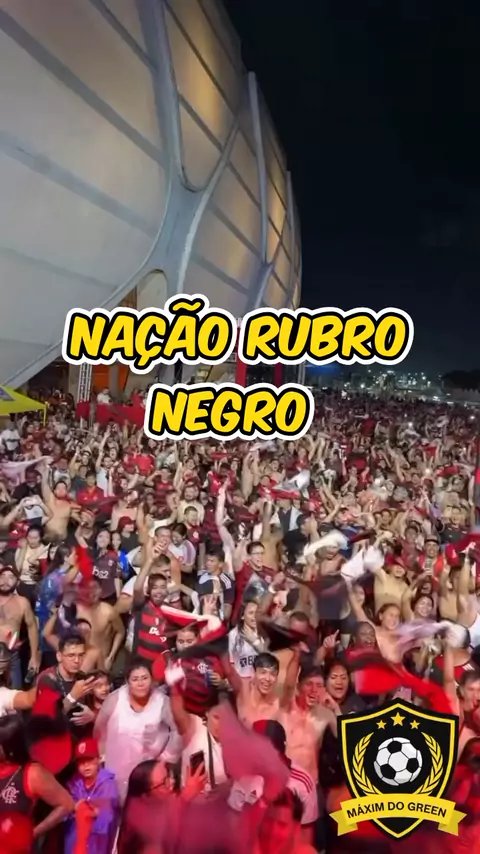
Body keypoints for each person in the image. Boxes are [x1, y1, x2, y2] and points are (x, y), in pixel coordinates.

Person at [94, 657, 182, 802]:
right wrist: (102, 757)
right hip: (116, 768)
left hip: (148, 770)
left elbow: (178, 730)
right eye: (135, 679)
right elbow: (99, 730)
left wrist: (165, 758)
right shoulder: (115, 699)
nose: (140, 683)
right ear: (127, 681)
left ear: (152, 679)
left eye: (144, 678)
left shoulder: (162, 702)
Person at [64, 737, 120, 854]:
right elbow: (67, 811)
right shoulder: (74, 783)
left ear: (98, 760)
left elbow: (108, 816)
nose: (85, 765)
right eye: (81, 762)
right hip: (76, 838)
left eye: (89, 760)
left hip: (97, 841)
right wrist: (75, 808)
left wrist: (93, 811)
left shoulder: (107, 784)